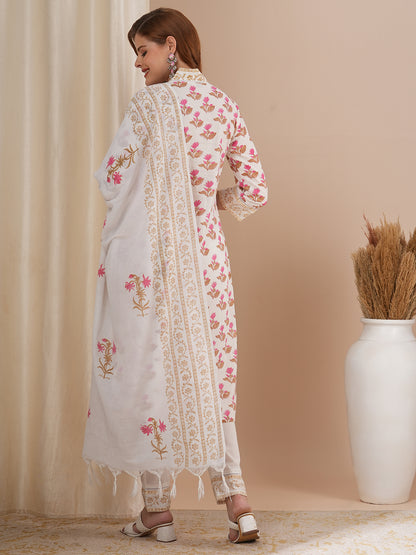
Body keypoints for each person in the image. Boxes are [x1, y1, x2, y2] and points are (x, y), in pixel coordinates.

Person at [83, 7, 267, 544]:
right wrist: (207, 201)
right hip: (208, 263)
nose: (138, 64)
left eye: (142, 51)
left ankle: (158, 511)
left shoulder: (150, 105)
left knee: (152, 378)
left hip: (155, 264)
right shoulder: (224, 105)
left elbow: (113, 178)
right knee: (214, 378)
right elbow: (255, 191)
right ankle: (238, 505)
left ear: (170, 45)